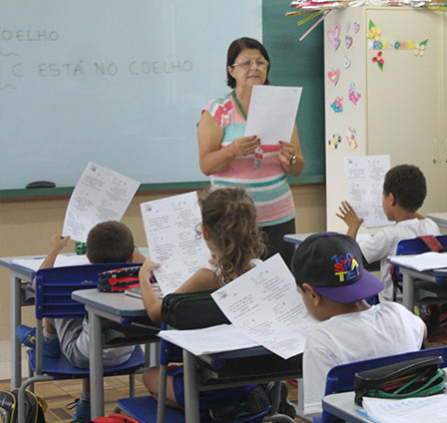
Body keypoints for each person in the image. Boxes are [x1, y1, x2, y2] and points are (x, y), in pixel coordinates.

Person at [137, 187, 283, 416]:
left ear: (205, 231)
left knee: (149, 378)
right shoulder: (260, 270)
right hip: (251, 375)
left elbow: (155, 312)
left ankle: (218, 408)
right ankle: (238, 403)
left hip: (206, 382)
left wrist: (143, 277)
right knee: (166, 385)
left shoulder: (206, 276)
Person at [16, 221, 145, 421]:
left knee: (54, 298)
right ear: (131, 255)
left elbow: (38, 282)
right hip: (126, 353)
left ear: (88, 255)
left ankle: (48, 341)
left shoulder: (73, 275)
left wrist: (54, 250)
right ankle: (86, 404)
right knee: (90, 319)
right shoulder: (139, 274)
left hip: (82, 355)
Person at [292, 232, 426, 419]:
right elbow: (423, 331)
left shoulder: (320, 338)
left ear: (312, 294)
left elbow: (323, 412)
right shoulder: (398, 313)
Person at [197, 37, 305, 267]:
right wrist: (232, 151)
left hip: (278, 217)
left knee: (279, 285)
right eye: (245, 63)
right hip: (231, 220)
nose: (254, 68)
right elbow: (206, 165)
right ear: (231, 70)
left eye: (260, 62)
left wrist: (291, 158)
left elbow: (298, 167)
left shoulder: (281, 108)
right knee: (236, 285)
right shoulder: (218, 110)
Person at [336, 164, 440, 300]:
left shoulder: (389, 235)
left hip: (390, 308)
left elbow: (349, 260)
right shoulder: (431, 226)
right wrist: (410, 203)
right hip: (423, 305)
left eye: (383, 196)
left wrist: (353, 226)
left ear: (391, 199)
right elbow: (416, 216)